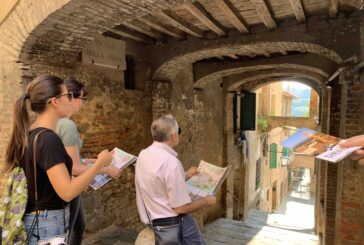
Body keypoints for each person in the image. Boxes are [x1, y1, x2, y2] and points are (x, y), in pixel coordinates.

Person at [4, 75, 113, 245]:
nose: (71, 100)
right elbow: (67, 192)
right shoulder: (48, 139)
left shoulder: (32, 134)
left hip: (39, 220)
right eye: (67, 96)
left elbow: (45, 181)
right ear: (55, 102)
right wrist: (100, 164)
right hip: (47, 226)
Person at [56, 79, 121, 245]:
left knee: (78, 226)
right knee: (72, 230)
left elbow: (68, 158)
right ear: (72, 98)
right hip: (68, 184)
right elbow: (75, 167)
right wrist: (106, 169)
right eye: (83, 99)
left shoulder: (57, 122)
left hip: (62, 182)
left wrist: (97, 160)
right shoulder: (67, 125)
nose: (83, 104)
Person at [135, 114, 216, 245]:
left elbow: (158, 181)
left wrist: (185, 175)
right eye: (178, 132)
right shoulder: (171, 163)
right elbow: (181, 208)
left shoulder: (143, 154)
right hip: (175, 224)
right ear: (173, 136)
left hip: (153, 220)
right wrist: (206, 201)